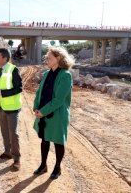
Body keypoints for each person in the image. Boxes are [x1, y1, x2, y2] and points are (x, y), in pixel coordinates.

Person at [33, 46, 74, 179]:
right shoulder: (46, 74)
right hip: (43, 113)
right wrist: (36, 107)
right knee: (44, 140)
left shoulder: (65, 76)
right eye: (46, 58)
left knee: (58, 141)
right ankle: (43, 165)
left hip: (58, 114)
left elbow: (59, 100)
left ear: (58, 58)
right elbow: (39, 92)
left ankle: (57, 168)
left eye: (49, 58)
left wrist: (43, 111)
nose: (47, 59)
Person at [0, 48, 22, 171]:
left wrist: (2, 92)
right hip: (1, 106)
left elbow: (19, 88)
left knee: (13, 134)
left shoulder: (13, 69)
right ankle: (7, 152)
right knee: (4, 132)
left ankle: (17, 160)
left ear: (5, 58)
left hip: (12, 107)